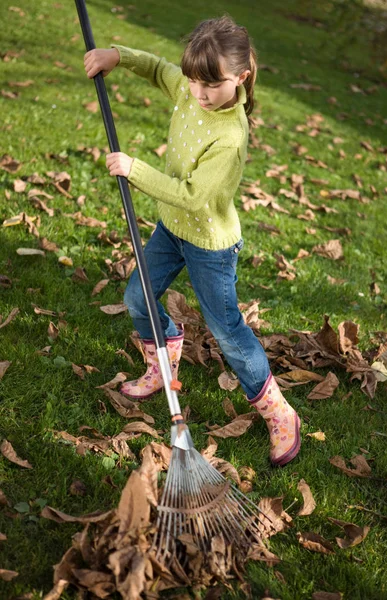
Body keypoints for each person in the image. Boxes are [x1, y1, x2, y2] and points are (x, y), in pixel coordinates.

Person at [83, 15, 301, 466]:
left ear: (240, 78)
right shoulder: (189, 85)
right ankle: (165, 355)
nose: (198, 94)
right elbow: (160, 68)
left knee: (227, 331)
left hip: (210, 245)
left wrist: (135, 169)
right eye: (194, 81)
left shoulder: (230, 135)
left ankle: (279, 412)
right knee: (138, 298)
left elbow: (193, 196)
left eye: (212, 85)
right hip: (171, 230)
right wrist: (118, 57)